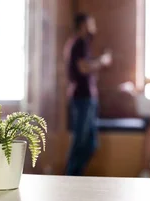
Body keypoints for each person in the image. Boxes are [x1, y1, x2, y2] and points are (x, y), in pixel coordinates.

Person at [65, 12, 112, 176]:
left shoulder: (83, 44)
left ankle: (76, 177)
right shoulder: (78, 43)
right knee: (80, 142)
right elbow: (83, 68)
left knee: (91, 144)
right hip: (81, 99)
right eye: (91, 23)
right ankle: (70, 179)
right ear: (84, 25)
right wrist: (102, 61)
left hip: (89, 99)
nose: (94, 27)